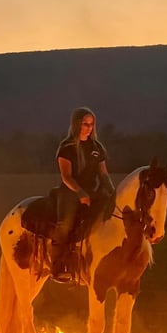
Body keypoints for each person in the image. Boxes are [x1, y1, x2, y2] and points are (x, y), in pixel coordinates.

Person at [51, 106, 115, 281]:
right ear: (77, 125)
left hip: (92, 191)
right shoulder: (67, 147)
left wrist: (112, 191)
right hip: (70, 191)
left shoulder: (96, 147)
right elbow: (66, 176)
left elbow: (103, 174)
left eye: (91, 124)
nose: (89, 127)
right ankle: (57, 266)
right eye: (85, 124)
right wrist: (80, 193)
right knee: (65, 224)